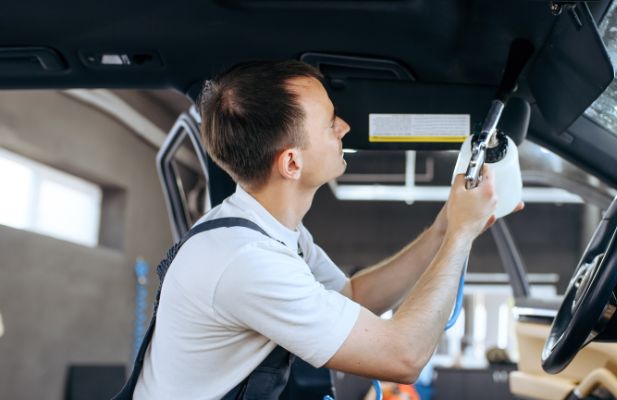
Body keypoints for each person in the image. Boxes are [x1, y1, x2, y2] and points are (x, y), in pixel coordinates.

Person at [130, 60, 506, 399]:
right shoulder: (247, 260)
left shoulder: (268, 229)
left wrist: (444, 227)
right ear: (292, 163)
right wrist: (461, 233)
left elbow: (353, 297)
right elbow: (403, 357)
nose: (344, 127)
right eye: (330, 123)